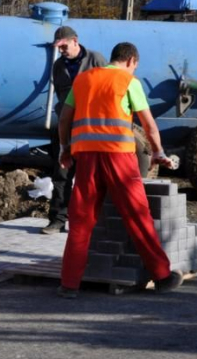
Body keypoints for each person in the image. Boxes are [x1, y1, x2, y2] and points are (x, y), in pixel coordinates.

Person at [56, 42, 183, 298]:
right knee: (137, 214)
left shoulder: (82, 80)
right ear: (131, 61)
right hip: (119, 158)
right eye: (135, 67)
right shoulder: (128, 81)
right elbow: (149, 124)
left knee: (81, 220)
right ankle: (162, 276)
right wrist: (158, 152)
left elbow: (64, 119)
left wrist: (64, 148)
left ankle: (69, 284)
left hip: (87, 158)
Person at [42, 26, 106, 235]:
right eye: (59, 48)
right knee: (61, 175)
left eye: (64, 46)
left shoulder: (95, 59)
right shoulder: (58, 66)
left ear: (75, 41)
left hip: (90, 128)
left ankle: (90, 221)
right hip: (67, 127)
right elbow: (62, 97)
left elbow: (107, 89)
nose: (62, 51)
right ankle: (58, 220)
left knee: (90, 177)